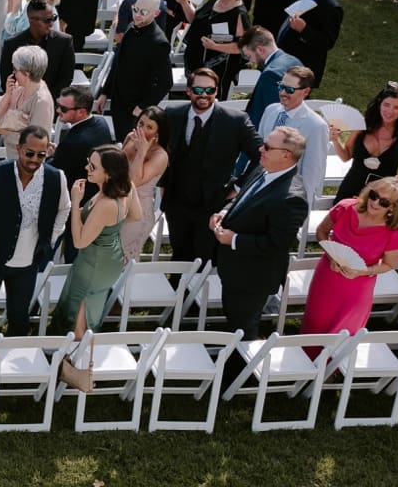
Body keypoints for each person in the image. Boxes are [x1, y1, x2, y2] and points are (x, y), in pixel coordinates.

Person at [0, 128, 70, 336]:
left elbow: (65, 208)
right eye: (29, 153)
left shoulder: (57, 178)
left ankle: (9, 358)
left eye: (41, 155)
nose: (34, 159)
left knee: (19, 316)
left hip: (28, 264)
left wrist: (51, 238)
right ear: (19, 148)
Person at [210, 125, 310, 339]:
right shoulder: (264, 169)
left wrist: (234, 240)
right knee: (233, 319)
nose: (260, 150)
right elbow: (242, 197)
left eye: (267, 147)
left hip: (252, 277)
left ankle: (239, 370)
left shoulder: (291, 199)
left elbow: (277, 243)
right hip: (234, 268)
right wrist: (224, 212)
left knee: (243, 328)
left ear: (286, 155)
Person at [57, 146, 141, 389]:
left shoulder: (106, 203)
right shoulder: (127, 188)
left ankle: (80, 371)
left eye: (93, 167)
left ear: (109, 173)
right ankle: (72, 359)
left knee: (81, 314)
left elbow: (80, 241)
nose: (87, 169)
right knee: (89, 304)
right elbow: (135, 215)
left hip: (94, 262)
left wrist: (75, 204)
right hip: (110, 257)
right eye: (88, 162)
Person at [161, 66, 260, 263]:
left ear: (217, 91)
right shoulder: (172, 114)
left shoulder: (236, 121)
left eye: (210, 90)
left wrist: (239, 186)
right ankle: (176, 287)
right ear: (188, 91)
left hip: (213, 201)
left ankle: (197, 291)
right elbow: (160, 150)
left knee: (205, 255)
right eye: (198, 90)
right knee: (179, 250)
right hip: (176, 200)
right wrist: (162, 184)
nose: (204, 95)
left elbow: (262, 156)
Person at [302, 179, 398, 343]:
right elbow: (321, 231)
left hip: (357, 287)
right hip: (327, 277)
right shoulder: (345, 208)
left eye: (384, 202)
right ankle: (304, 361)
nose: (375, 202)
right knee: (315, 324)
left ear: (393, 207)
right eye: (373, 195)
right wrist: (331, 255)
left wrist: (364, 271)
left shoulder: (393, 233)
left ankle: (334, 368)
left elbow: (389, 264)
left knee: (343, 334)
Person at [97, 0, 172, 138]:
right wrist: (105, 92)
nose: (137, 15)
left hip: (135, 107)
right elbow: (117, 63)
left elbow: (166, 82)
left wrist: (143, 107)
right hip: (118, 102)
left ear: (156, 13)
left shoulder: (158, 42)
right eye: (135, 9)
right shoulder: (131, 27)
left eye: (143, 12)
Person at [330, 84, 398, 202]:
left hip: (381, 195)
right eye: (386, 105)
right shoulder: (362, 125)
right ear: (379, 103)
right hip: (351, 187)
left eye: (397, 107)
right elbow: (346, 156)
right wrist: (335, 140)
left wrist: (393, 180)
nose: (390, 111)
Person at [255, 66, 331, 203]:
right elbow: (258, 150)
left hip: (286, 195)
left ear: (306, 92)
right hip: (259, 187)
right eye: (281, 86)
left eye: (289, 89)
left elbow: (312, 173)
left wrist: (300, 206)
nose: (283, 93)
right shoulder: (270, 111)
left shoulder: (316, 126)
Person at [276, 0, 344, 88]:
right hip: (281, 55)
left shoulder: (331, 8)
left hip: (301, 68)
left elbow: (327, 42)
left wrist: (304, 29)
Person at [180, 0, 252, 77]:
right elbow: (196, 20)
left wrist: (215, 46)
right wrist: (184, 3)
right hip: (195, 57)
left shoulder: (239, 14)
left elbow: (242, 47)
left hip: (217, 67)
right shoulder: (215, 0)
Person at [1, 0, 76, 103]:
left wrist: (44, 101)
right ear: (31, 20)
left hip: (51, 105)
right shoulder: (12, 44)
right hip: (19, 105)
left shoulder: (64, 42)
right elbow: (7, 79)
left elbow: (66, 79)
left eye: (53, 18)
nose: (51, 23)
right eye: (47, 20)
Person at [118, 107, 168, 260]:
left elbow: (134, 181)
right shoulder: (130, 138)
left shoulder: (160, 155)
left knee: (124, 258)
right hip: (117, 202)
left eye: (149, 127)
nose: (142, 130)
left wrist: (141, 152)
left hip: (138, 211)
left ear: (158, 132)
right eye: (141, 123)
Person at [0, 46, 55, 157]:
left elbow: (35, 140)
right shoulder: (19, 87)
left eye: (15, 70)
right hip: (11, 155)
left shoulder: (41, 101)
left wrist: (4, 131)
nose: (13, 73)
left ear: (27, 74)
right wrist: (7, 94)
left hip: (27, 163)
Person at [50, 83, 112, 190]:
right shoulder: (102, 123)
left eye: (63, 109)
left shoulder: (71, 143)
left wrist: (47, 157)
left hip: (76, 196)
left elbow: (55, 175)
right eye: (57, 105)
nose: (58, 110)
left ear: (81, 112)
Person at [241, 27, 301, 125]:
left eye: (249, 56)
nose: (251, 61)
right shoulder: (295, 61)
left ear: (260, 49)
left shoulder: (270, 74)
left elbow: (276, 114)